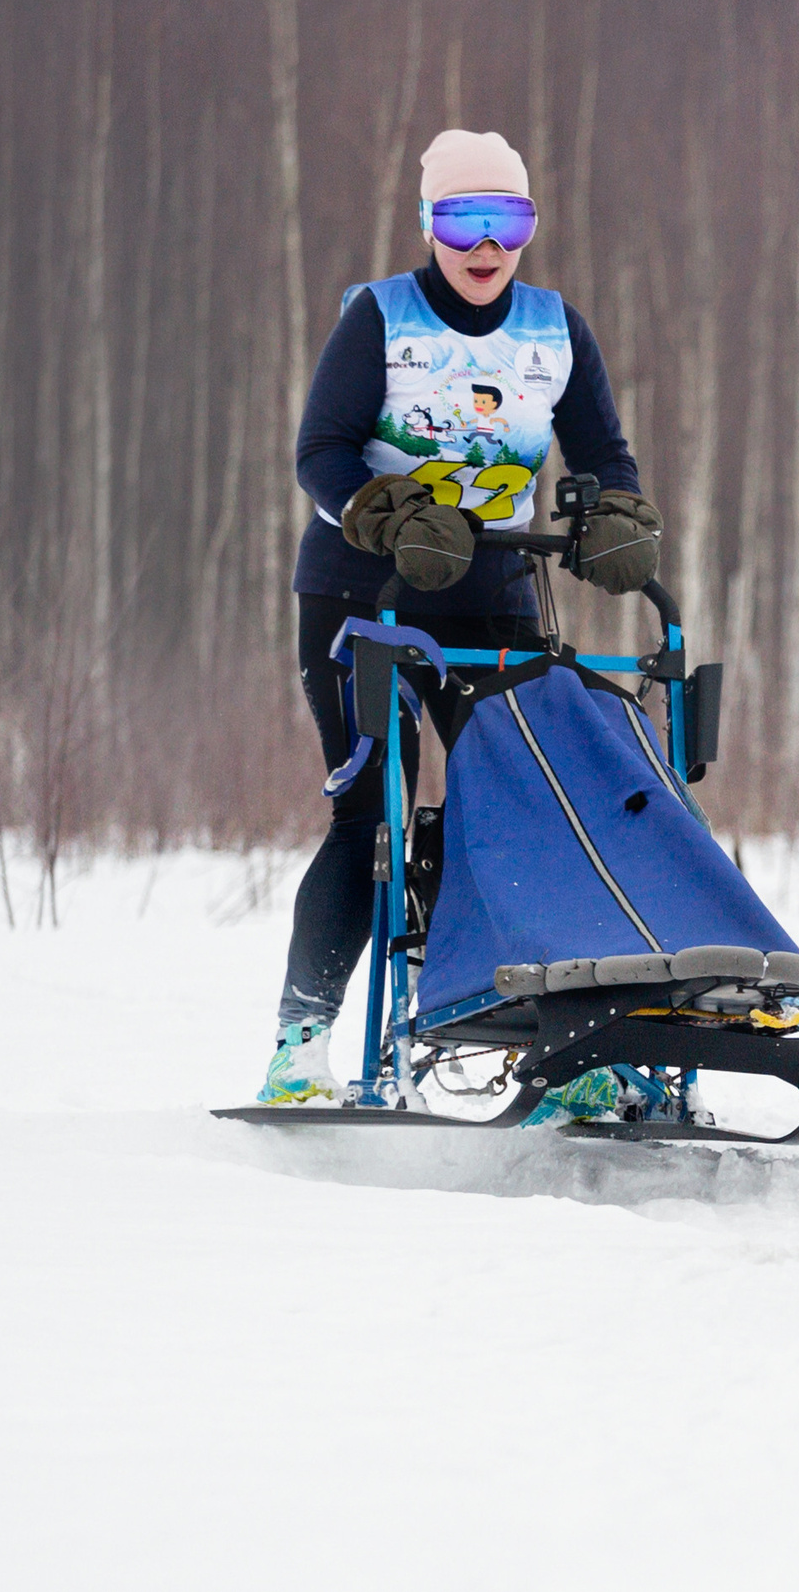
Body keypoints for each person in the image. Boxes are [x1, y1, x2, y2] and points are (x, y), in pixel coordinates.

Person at [258, 129, 663, 1105]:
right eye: (463, 220)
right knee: (372, 811)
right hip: (364, 595)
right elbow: (322, 451)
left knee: (528, 810)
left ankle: (557, 1055)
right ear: (428, 224)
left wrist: (615, 515)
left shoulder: (555, 331)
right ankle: (299, 1047)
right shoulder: (381, 318)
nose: (486, 246)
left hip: (494, 591)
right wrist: (389, 512)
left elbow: (604, 454)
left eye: (508, 221)